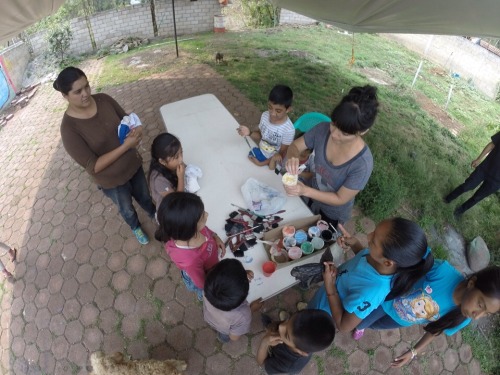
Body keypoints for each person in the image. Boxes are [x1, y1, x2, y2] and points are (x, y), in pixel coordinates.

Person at [54, 67, 155, 245]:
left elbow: (127, 119)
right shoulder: (69, 129)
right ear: (65, 95)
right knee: (127, 209)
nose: (85, 94)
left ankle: (155, 215)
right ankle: (135, 227)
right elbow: (93, 166)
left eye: (87, 86)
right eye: (78, 91)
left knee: (145, 196)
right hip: (112, 181)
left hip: (133, 165)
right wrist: (125, 147)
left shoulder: (104, 99)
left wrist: (137, 128)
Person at [353, 264, 500, 368]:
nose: (477, 316)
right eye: (480, 305)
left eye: (486, 313)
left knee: (376, 325)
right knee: (362, 320)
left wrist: (413, 352)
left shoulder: (463, 318)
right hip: (387, 302)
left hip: (400, 320)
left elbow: (435, 330)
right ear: (472, 283)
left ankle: (364, 326)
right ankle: (359, 326)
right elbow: (411, 269)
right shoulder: (443, 272)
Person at [309, 217, 434, 334]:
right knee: (309, 310)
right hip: (322, 296)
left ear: (387, 262)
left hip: (323, 316)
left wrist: (330, 287)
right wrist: (355, 243)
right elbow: (364, 257)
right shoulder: (380, 259)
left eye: (373, 239)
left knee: (305, 327)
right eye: (374, 232)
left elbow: (343, 326)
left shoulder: (372, 292)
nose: (368, 236)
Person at [284, 85, 379, 227]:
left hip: (331, 214)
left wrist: (305, 190)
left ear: (363, 131)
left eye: (345, 133)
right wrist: (292, 157)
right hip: (307, 197)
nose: (334, 134)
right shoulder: (322, 128)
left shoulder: (362, 164)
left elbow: (340, 198)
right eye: (334, 124)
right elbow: (295, 146)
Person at [155, 192, 225, 300]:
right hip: (207, 277)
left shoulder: (190, 231)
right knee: (204, 293)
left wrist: (215, 236)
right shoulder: (191, 261)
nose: (207, 214)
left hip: (212, 266)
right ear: (189, 229)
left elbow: (205, 230)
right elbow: (202, 283)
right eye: (202, 217)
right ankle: (203, 298)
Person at [256, 309, 335, 374]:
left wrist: (265, 342)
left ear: (301, 351)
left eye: (286, 335)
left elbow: (262, 363)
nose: (281, 326)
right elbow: (283, 327)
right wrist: (273, 327)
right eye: (289, 319)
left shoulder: (286, 364)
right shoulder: (302, 341)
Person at [203, 258, 263, 343]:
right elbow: (234, 337)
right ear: (244, 294)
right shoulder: (243, 315)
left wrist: (240, 276)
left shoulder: (209, 285)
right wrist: (251, 309)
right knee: (224, 337)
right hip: (224, 330)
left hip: (209, 317)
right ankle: (222, 339)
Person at [237, 84, 295, 169]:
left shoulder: (288, 130)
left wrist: (262, 163)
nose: (272, 113)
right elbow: (260, 135)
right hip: (261, 153)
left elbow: (281, 154)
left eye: (278, 111)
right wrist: (249, 132)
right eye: (270, 107)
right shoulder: (264, 115)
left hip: (273, 163)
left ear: (288, 109)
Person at [445, 131, 500, 218]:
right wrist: (478, 159)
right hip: (485, 168)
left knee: (477, 197)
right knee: (467, 186)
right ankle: (448, 198)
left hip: (497, 181)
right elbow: (492, 144)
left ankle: (460, 211)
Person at [149, 133, 185, 208]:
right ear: (162, 161)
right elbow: (178, 200)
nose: (181, 159)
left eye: (181, 152)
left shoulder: (172, 165)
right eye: (176, 157)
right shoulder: (159, 181)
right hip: (169, 209)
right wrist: (181, 178)